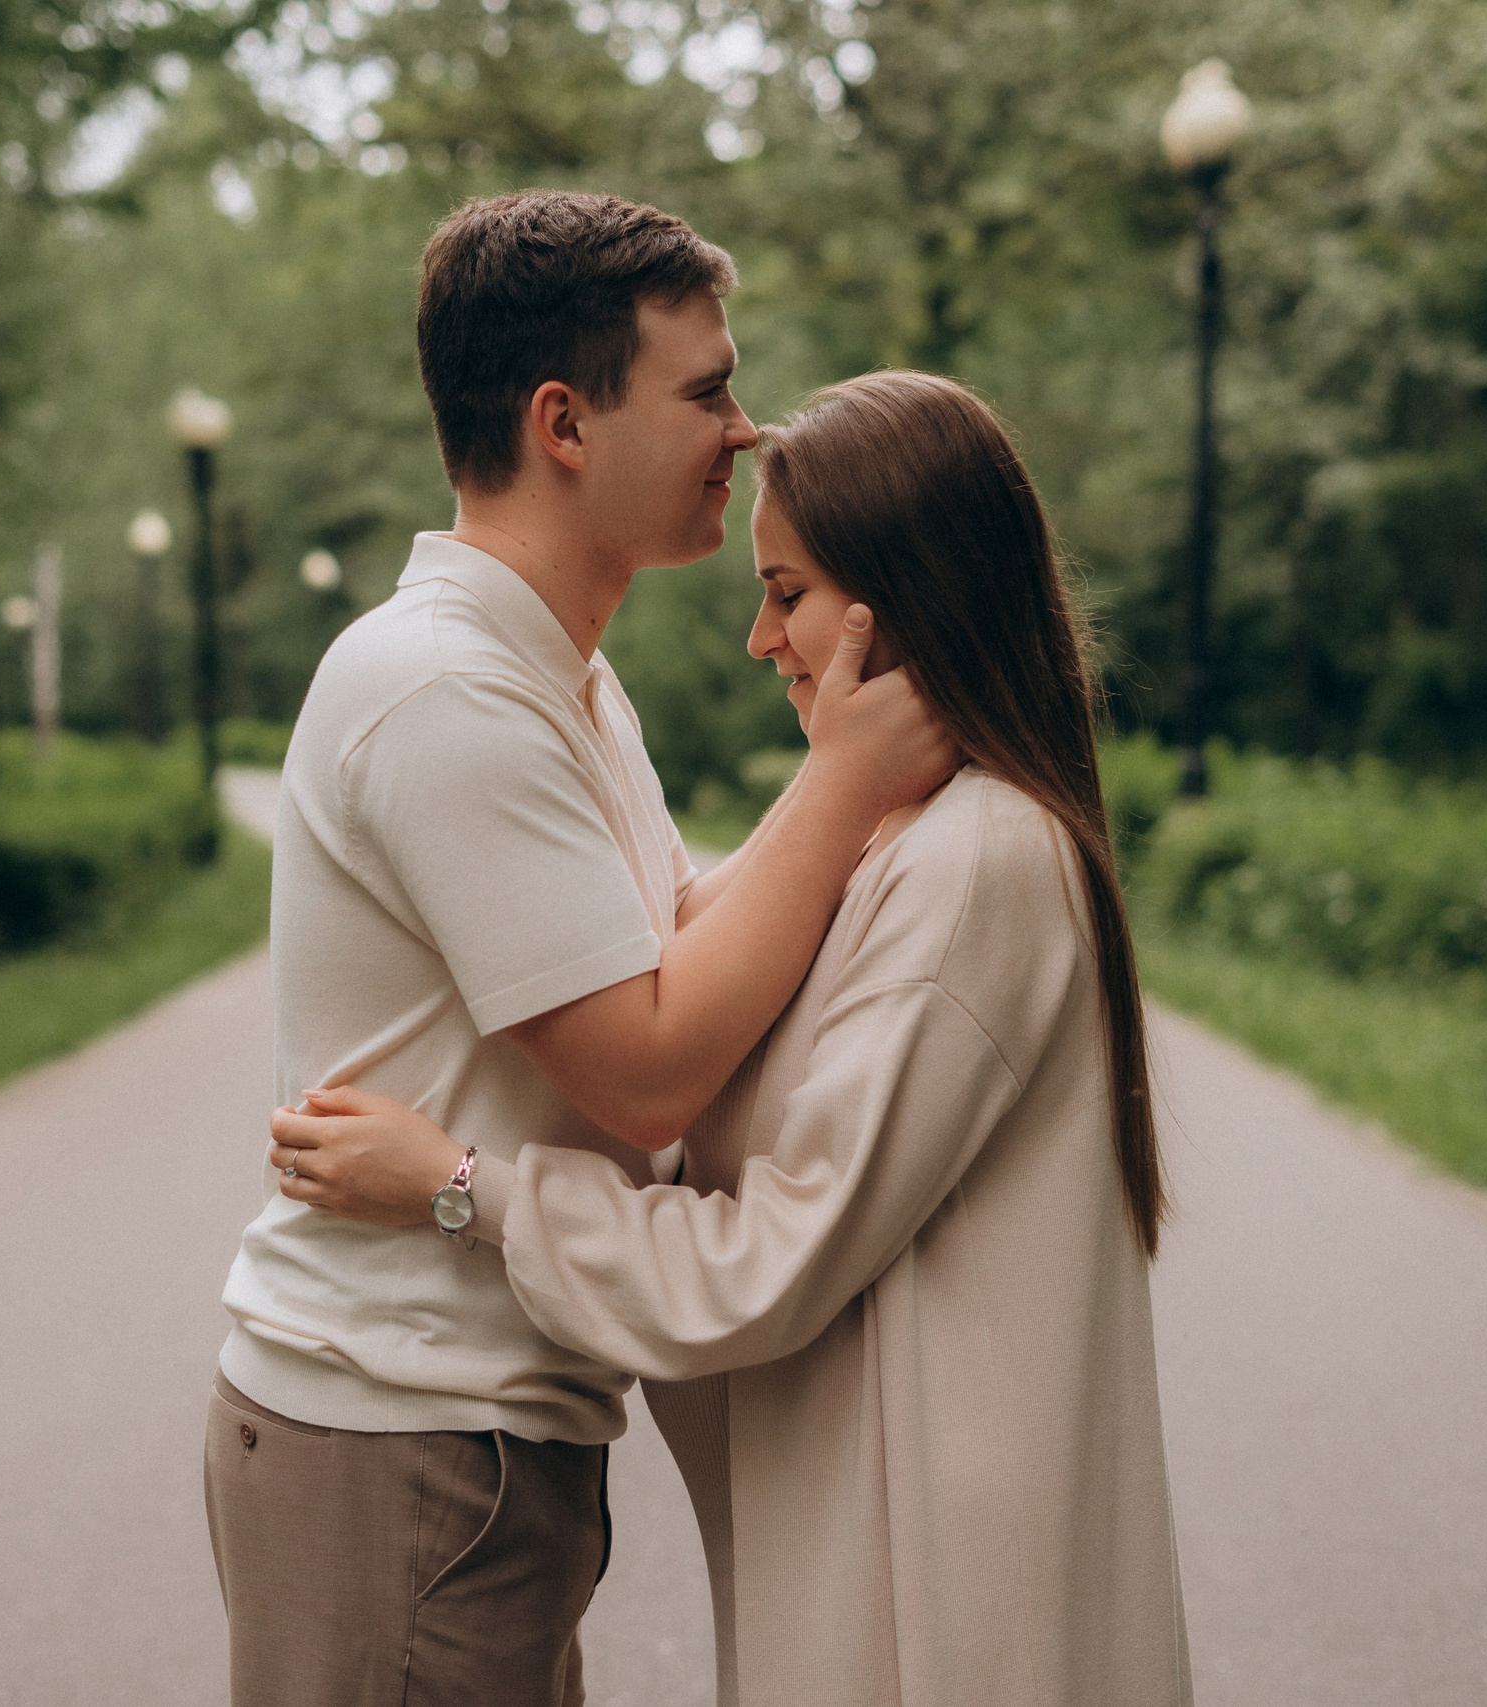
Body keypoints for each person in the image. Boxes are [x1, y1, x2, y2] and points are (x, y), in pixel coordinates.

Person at [267, 371, 1194, 1707]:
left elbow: (767, 1261)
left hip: (942, 1594)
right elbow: (688, 943)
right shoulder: (893, 839)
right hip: (874, 1531)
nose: (764, 639)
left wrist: (458, 1189)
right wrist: (840, 777)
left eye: (790, 593)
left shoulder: (982, 864)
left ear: (907, 606)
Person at [204, 196, 959, 1707]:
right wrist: (850, 783)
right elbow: (651, 1070)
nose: (742, 434)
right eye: (705, 391)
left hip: (468, 1434)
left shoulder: (560, 681)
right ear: (565, 421)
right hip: (401, 1435)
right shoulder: (451, 695)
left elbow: (679, 932)